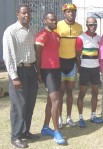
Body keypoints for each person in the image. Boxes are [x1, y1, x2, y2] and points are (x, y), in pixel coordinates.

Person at [3, 4, 39, 148]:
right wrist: (14, 76)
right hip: (19, 71)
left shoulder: (32, 30)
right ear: (17, 14)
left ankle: (25, 132)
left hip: (31, 70)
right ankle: (16, 136)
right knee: (19, 105)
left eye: (28, 13)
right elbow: (8, 56)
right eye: (24, 13)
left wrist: (37, 72)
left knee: (29, 103)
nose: (27, 15)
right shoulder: (11, 31)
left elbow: (34, 52)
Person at [35, 12, 65, 144]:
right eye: (51, 20)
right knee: (56, 101)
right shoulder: (42, 35)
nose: (54, 22)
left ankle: (45, 127)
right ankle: (56, 132)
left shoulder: (56, 35)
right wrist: (38, 72)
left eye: (55, 20)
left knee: (50, 101)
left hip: (56, 70)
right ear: (45, 21)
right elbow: (38, 55)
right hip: (47, 71)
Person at [56, 3, 83, 128]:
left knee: (70, 92)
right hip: (60, 62)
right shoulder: (58, 25)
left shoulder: (79, 27)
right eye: (68, 11)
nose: (71, 14)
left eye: (73, 12)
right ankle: (60, 118)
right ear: (64, 13)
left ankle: (69, 117)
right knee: (60, 93)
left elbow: (81, 44)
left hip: (72, 63)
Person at [75, 17, 103, 127]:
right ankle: (80, 118)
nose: (92, 26)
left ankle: (93, 116)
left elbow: (100, 54)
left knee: (95, 93)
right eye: (90, 24)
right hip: (84, 69)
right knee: (82, 94)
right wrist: (79, 69)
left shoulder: (99, 38)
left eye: (94, 24)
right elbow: (77, 56)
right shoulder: (81, 37)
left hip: (95, 69)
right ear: (87, 25)